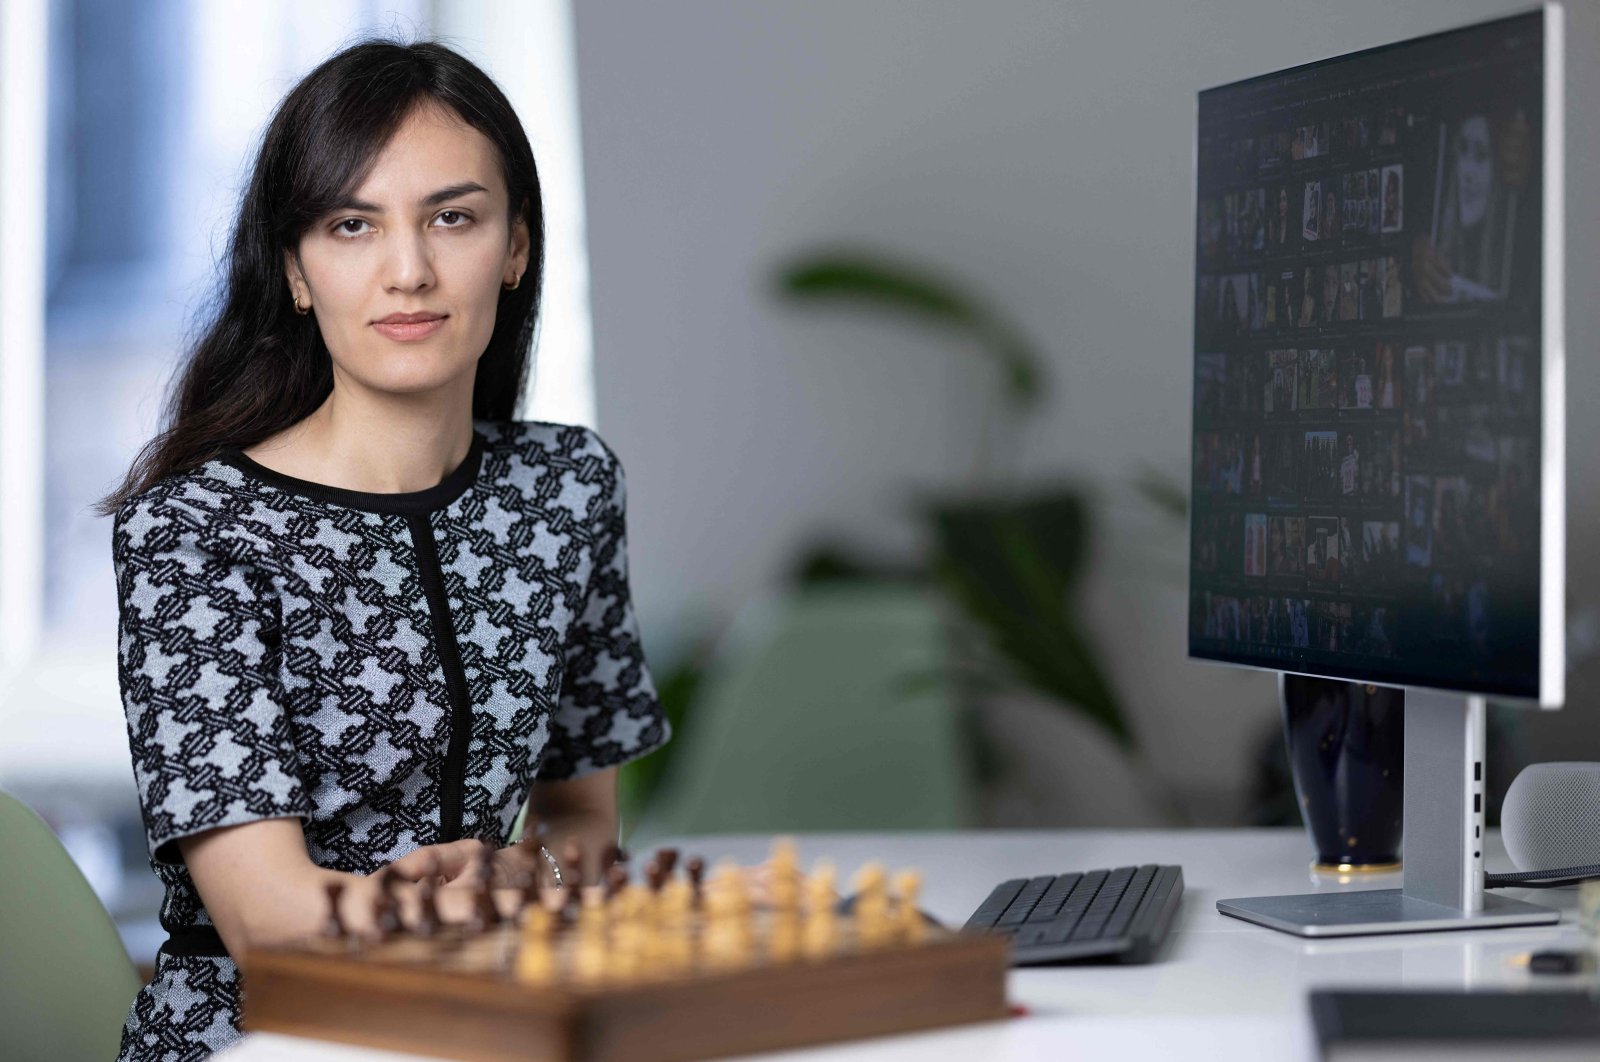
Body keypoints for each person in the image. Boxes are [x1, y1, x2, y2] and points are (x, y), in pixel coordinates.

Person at [98, 39, 676, 1059]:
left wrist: (529, 877)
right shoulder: (193, 529)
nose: (407, 271)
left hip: (499, 1022)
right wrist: (455, 907)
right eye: (351, 225)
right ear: (296, 270)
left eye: (452, 217)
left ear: (516, 247)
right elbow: (269, 925)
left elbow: (582, 824)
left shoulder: (568, 485)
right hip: (261, 1035)